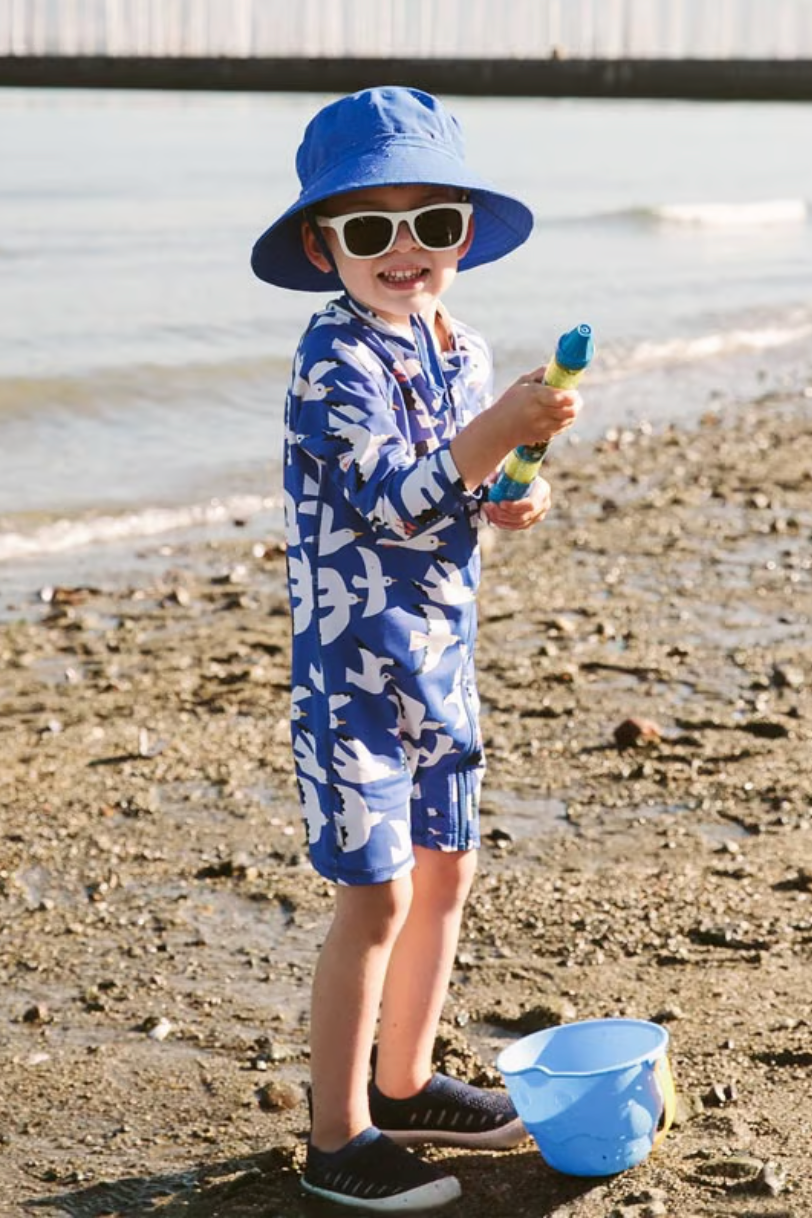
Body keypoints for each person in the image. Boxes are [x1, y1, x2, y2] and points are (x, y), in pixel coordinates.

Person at [251, 86, 582, 1211]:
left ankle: (400, 1086)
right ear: (322, 245)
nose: (405, 250)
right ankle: (336, 1136)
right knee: (376, 895)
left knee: (447, 865)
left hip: (439, 657)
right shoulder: (331, 360)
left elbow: (456, 489)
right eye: (369, 228)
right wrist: (493, 433)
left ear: (464, 235)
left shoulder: (459, 344)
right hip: (351, 670)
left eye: (431, 223)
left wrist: (510, 488)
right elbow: (392, 498)